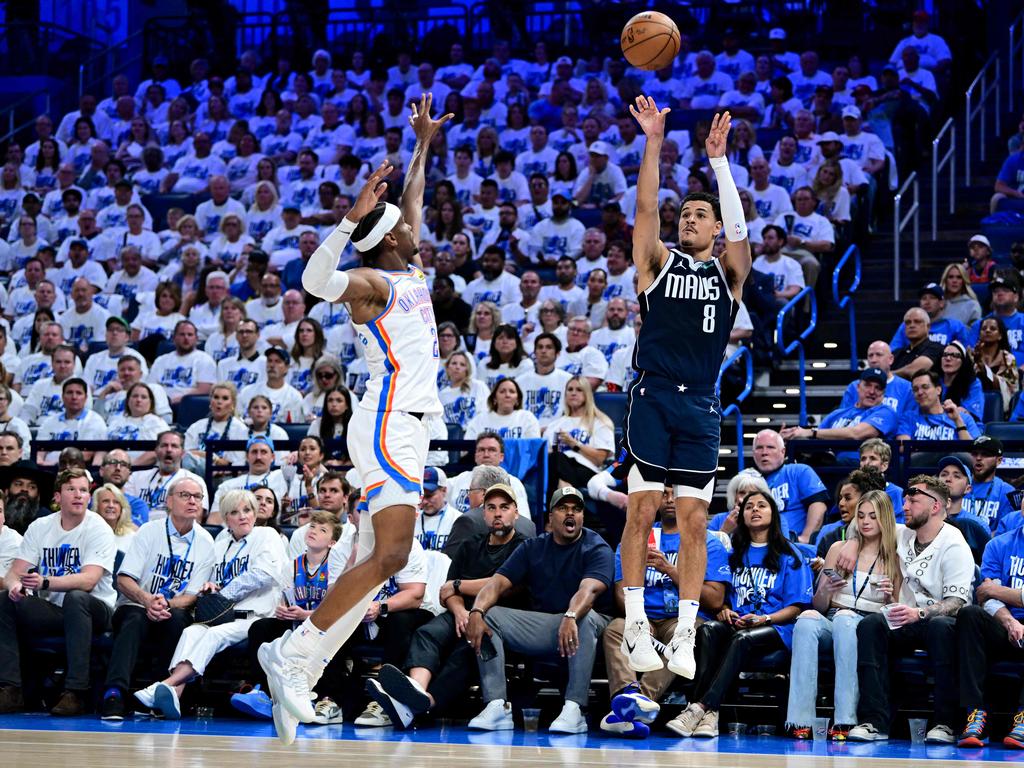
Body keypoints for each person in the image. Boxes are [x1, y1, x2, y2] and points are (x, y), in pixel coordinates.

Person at [258, 94, 453, 744]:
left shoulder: (410, 266)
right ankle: (291, 655)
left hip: (411, 423)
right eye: (403, 224)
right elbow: (314, 281)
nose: (414, 226)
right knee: (394, 553)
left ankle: (297, 670)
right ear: (391, 236)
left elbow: (416, 200)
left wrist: (423, 144)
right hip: (388, 418)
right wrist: (349, 218)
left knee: (369, 560)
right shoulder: (371, 281)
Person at [615, 99, 751, 681]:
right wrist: (653, 142)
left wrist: (720, 166)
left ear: (716, 226)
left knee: (694, 521)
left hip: (700, 401)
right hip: (652, 395)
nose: (689, 219)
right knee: (643, 509)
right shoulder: (655, 263)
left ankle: (689, 632)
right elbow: (646, 206)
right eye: (686, 214)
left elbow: (743, 237)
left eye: (701, 215)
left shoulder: (729, 273)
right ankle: (638, 624)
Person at [366, 478, 526, 728]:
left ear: (516, 513)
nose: (497, 513)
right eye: (491, 507)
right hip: (460, 612)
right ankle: (415, 693)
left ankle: (427, 702)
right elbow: (445, 591)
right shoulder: (470, 546)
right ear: (483, 514)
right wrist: (461, 610)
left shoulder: (523, 546)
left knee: (468, 648)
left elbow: (502, 585)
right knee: (427, 633)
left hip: (496, 617)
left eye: (504, 507)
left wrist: (460, 587)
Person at [464, 486, 613, 732]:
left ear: (583, 517)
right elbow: (497, 583)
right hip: (549, 625)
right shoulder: (533, 547)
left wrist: (571, 614)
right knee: (489, 618)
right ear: (550, 518)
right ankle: (497, 706)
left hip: (590, 623)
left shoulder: (596, 546)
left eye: (576, 509)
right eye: (563, 508)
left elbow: (589, 591)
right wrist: (476, 612)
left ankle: (574, 708)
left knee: (583, 619)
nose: (570, 514)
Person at [133, 489, 286, 719]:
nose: (243, 516)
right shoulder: (222, 541)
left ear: (255, 514)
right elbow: (214, 578)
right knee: (191, 632)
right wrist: (211, 587)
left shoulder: (267, 535)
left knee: (213, 636)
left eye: (247, 510)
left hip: (256, 616)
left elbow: (263, 573)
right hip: (223, 615)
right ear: (226, 519)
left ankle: (164, 684)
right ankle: (176, 693)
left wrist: (224, 593)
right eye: (235, 512)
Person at [671, 490, 812, 738]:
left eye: (761, 506)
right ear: (742, 516)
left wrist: (764, 619)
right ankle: (708, 716)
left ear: (774, 514)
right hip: (738, 624)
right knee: (708, 630)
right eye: (749, 507)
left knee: (742, 639)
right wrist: (724, 610)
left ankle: (702, 707)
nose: (755, 510)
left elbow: (797, 607)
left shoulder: (790, 555)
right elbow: (721, 597)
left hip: (776, 627)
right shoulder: (733, 553)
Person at [848, 475, 975, 744]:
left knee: (942, 629)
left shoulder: (955, 544)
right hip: (905, 619)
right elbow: (863, 524)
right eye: (905, 499)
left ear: (935, 507)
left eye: (913, 500)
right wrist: (851, 542)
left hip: (939, 621)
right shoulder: (902, 532)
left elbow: (958, 602)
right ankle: (874, 722)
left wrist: (919, 614)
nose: (904, 505)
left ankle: (945, 723)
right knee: (870, 625)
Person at [603, 490, 731, 738]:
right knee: (617, 628)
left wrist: (670, 570)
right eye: (665, 494)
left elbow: (715, 599)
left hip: (682, 618)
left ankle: (636, 705)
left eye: (677, 494)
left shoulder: (706, 540)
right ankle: (628, 695)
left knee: (684, 634)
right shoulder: (635, 537)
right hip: (644, 617)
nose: (671, 500)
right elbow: (620, 598)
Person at [786, 490, 900, 741]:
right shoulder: (838, 549)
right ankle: (799, 718)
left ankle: (845, 718)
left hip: (867, 624)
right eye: (861, 516)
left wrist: (891, 597)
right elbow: (818, 606)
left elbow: (898, 611)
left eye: (873, 516)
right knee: (805, 621)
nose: (866, 522)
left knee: (846, 620)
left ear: (886, 519)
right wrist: (825, 589)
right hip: (834, 616)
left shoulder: (894, 555)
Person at [0, 467, 115, 716]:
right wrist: (15, 587)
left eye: (83, 490)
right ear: (57, 497)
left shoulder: (98, 528)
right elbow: (14, 573)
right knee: (4, 602)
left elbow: (89, 581)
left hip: (96, 609)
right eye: (71, 489)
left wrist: (44, 582)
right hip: (55, 610)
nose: (78, 495)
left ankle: (76, 691)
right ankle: (11, 689)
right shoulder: (41, 527)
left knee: (76, 598)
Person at [98, 477, 215, 720]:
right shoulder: (149, 531)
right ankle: (114, 694)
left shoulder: (206, 542)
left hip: (173, 608)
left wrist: (167, 604)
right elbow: (124, 579)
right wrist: (147, 599)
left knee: (178, 619)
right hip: (135, 605)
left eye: (198, 496)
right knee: (134, 619)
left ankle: (160, 695)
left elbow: (192, 595)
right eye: (185, 495)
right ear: (169, 501)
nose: (192, 501)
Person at [955, 522, 1024, 748]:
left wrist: (999, 590)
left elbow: (993, 589)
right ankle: (975, 714)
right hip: (1005, 624)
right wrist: (1010, 621)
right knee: (970, 614)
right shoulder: (998, 545)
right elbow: (987, 596)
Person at [781, 367, 898, 462]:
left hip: (861, 466)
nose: (872, 391)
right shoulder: (837, 414)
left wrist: (811, 432)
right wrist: (789, 435)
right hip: (826, 463)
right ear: (858, 387)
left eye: (878, 388)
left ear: (883, 392)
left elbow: (856, 434)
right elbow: (816, 438)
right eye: (867, 385)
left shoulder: (886, 412)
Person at [751, 429, 828, 542]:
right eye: (759, 448)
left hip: (793, 544)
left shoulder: (799, 471)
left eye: (770, 447)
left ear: (783, 451)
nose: (764, 452)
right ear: (753, 453)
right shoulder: (748, 480)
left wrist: (806, 538)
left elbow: (818, 505)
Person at [545, 376, 614, 491]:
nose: (573, 393)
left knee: (557, 459)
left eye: (579, 389)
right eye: (570, 389)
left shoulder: (600, 422)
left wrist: (574, 444)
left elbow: (599, 459)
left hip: (588, 471)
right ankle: (568, 496)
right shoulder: (554, 425)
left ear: (587, 394)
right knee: (554, 461)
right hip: (556, 469)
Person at [123, 431, 209, 519]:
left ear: (183, 453)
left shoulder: (194, 481)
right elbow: (125, 510)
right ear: (156, 451)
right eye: (164, 445)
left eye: (174, 446)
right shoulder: (135, 477)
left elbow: (197, 518)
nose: (169, 450)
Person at [209, 436, 288, 523]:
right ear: (247, 456)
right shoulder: (227, 486)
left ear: (273, 457)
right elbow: (213, 521)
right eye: (254, 452)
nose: (258, 457)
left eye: (263, 452)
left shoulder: (283, 477)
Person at [896, 370, 981, 442]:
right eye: (915, 389)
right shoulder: (908, 418)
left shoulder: (963, 418)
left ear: (938, 390)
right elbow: (903, 449)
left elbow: (973, 451)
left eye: (925, 387)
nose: (920, 392)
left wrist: (957, 421)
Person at [962, 435, 1016, 534]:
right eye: (974, 454)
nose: (978, 458)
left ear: (999, 460)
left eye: (985, 454)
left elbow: (1006, 529)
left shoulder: (1007, 492)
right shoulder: (958, 485)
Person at [464, 378, 541, 441]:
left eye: (512, 392)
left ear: (517, 400)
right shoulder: (480, 420)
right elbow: (466, 449)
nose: (507, 395)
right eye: (502, 392)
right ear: (494, 399)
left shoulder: (527, 418)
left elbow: (534, 449)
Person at [891, 308, 944, 379]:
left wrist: (887, 376)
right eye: (908, 322)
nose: (912, 325)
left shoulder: (936, 348)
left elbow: (913, 371)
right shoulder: (898, 353)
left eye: (917, 322)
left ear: (928, 327)